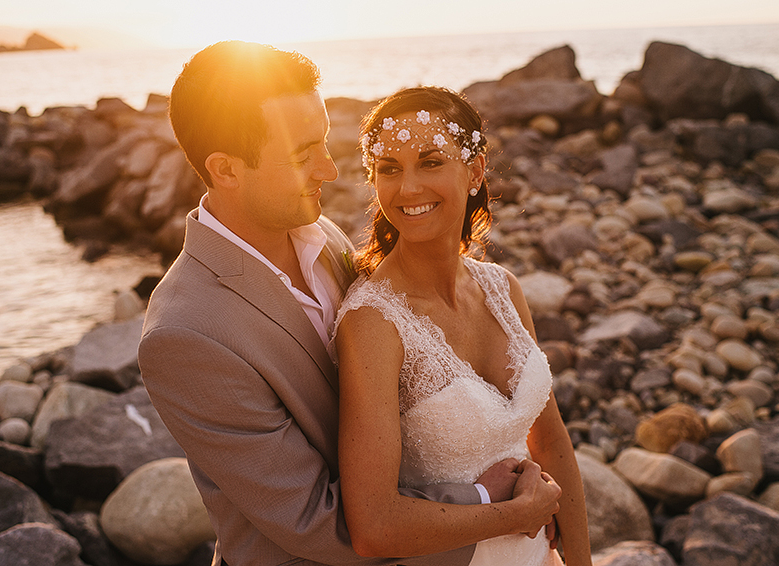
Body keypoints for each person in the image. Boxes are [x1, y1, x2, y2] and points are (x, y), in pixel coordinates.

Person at [138, 41, 556, 566]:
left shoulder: (321, 234)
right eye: (301, 155)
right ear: (225, 169)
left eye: (324, 142)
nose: (329, 170)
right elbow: (315, 522)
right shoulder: (186, 335)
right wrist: (491, 501)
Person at [333, 86, 592, 566]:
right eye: (389, 169)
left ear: (473, 172)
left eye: (430, 162)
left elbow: (551, 441)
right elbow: (373, 528)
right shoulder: (374, 323)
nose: (408, 188)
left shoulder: (502, 288)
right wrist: (514, 514)